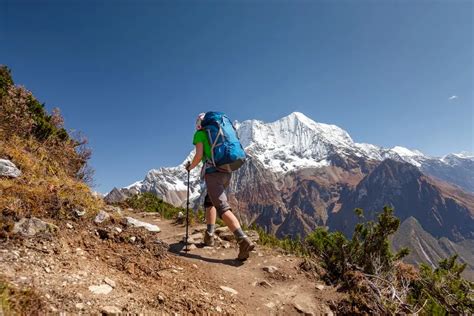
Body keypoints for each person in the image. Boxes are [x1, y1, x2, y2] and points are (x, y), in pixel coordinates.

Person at [185, 113, 255, 261]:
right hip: (227, 172)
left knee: (222, 207)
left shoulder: (200, 134)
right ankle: (209, 236)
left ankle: (243, 240)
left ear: (199, 123)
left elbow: (198, 155)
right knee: (210, 201)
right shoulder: (221, 131)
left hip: (213, 173)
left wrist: (190, 167)